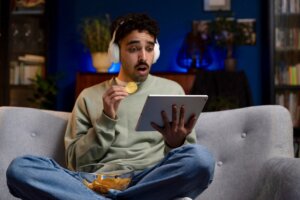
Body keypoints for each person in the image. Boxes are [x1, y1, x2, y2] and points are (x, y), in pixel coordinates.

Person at [6, 13, 215, 200]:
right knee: (20, 169)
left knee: (201, 159)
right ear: (116, 52)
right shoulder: (89, 96)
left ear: (156, 52)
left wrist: (175, 143)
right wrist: (106, 118)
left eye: (149, 49)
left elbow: (187, 158)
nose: (143, 57)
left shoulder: (172, 90)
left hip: (150, 179)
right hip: (94, 183)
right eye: (134, 49)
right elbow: (75, 163)